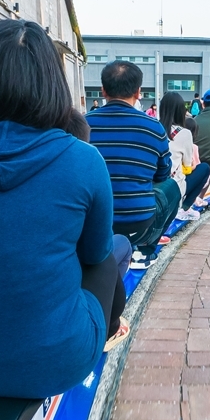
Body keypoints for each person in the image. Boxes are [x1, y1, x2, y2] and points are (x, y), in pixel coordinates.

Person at [0, 19, 129, 400]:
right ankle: (108, 330)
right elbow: (95, 255)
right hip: (57, 360)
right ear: (52, 82)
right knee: (109, 254)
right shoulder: (84, 160)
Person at [88, 61, 181, 269]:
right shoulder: (153, 127)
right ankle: (146, 250)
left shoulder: (83, 124)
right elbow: (162, 176)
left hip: (94, 224)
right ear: (138, 92)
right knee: (172, 187)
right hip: (139, 225)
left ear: (103, 90)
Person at [158, 92, 210, 221]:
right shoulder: (185, 133)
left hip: (155, 184)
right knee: (204, 168)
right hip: (173, 187)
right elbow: (187, 166)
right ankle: (184, 208)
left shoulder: (154, 128)